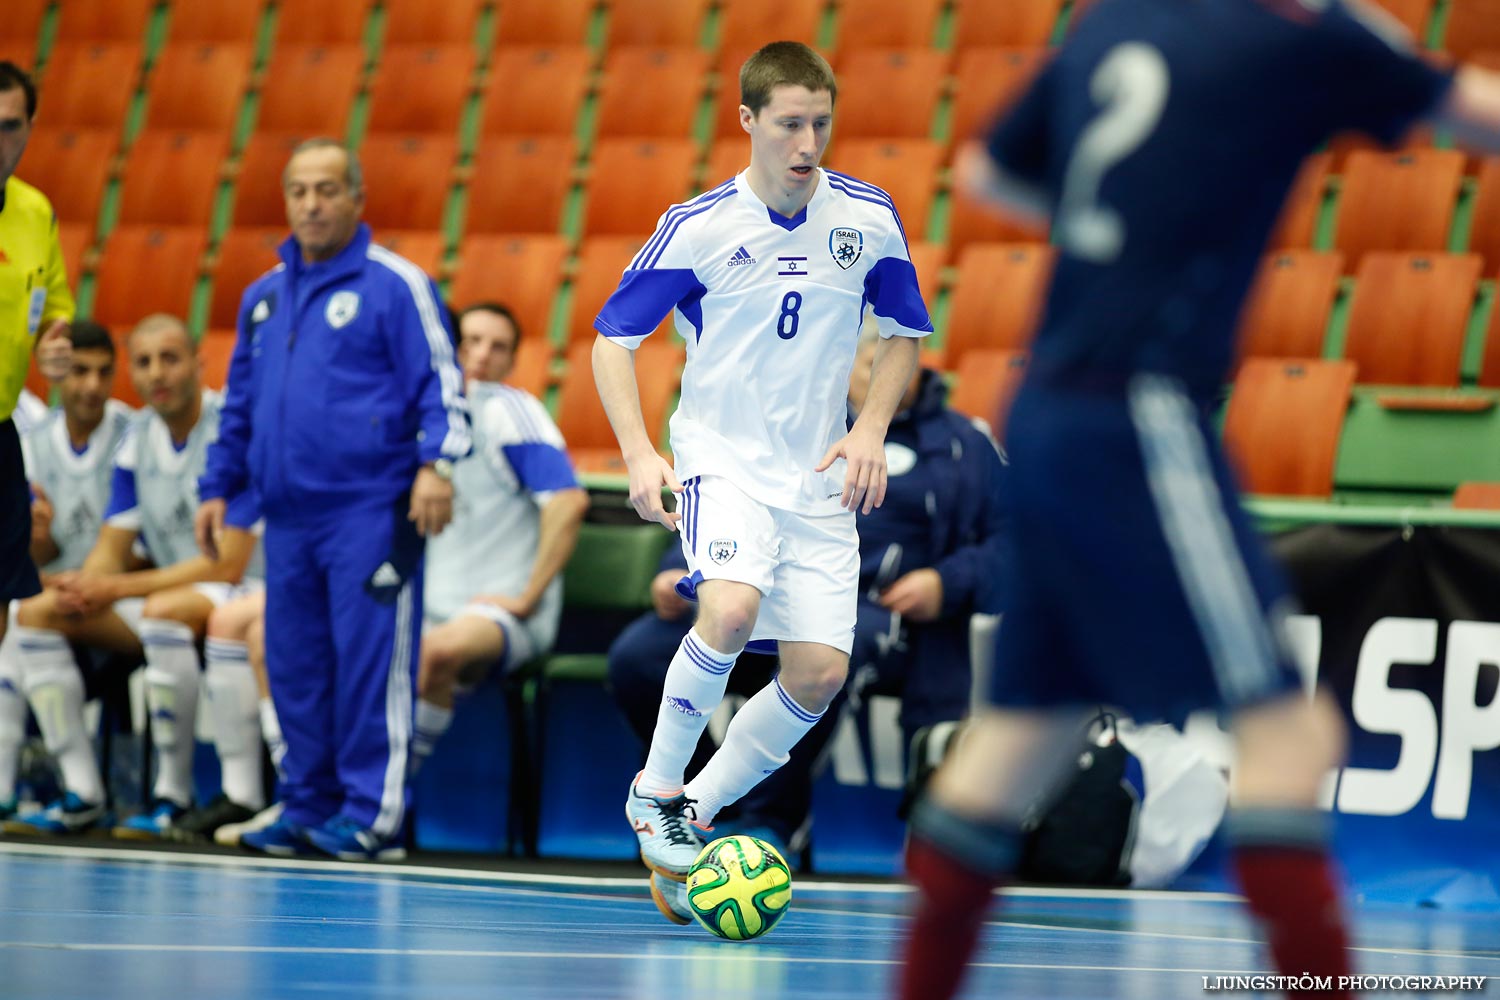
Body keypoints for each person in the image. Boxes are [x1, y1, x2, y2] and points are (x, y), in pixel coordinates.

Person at [896, 4, 1500, 999]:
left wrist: (1144, 215)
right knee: (1289, 735)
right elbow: (1469, 110)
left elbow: (988, 173)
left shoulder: (1115, 19)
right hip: (1141, 409)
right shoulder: (1302, 37)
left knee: (1011, 746)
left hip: (1042, 409)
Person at [591, 40, 932, 919]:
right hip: (723, 458)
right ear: (747, 121)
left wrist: (870, 427)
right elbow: (611, 342)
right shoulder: (700, 224)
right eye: (788, 124)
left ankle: (692, 813)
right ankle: (656, 788)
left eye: (820, 122)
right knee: (731, 611)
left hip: (816, 474)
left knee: (819, 673)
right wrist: (639, 454)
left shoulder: (868, 216)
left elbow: (904, 333)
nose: (807, 142)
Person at [607, 321, 1008, 862]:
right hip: (755, 586)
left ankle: (770, 821)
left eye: (896, 364)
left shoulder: (965, 444)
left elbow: (1016, 546)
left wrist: (945, 582)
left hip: (879, 613)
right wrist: (680, 567)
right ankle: (680, 806)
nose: (883, 376)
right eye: (867, 365)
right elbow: (726, 489)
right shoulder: (798, 421)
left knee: (829, 659)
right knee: (639, 655)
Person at [196, 138, 470, 862]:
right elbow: (240, 408)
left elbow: (441, 387)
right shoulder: (263, 298)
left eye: (326, 190)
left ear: (357, 198)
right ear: (285, 201)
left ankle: (370, 815)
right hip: (288, 518)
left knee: (368, 664)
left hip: (371, 513)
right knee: (294, 664)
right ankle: (308, 801)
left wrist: (436, 464)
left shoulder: (395, 285)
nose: (311, 204)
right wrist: (218, 486)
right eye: (298, 191)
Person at [6, 314, 262, 837]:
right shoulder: (138, 438)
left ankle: (173, 794)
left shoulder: (231, 429)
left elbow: (228, 561)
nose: (156, 374)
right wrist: (83, 584)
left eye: (169, 358)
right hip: (170, 594)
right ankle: (83, 792)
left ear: (198, 361)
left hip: (250, 589)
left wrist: (115, 586)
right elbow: (112, 546)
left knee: (160, 612)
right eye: (143, 362)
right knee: (35, 613)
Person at [411, 302, 587, 775]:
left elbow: (568, 503)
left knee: (433, 653)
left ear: (513, 361)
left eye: (498, 346)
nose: (481, 355)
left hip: (501, 612)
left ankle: (389, 797)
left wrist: (528, 597)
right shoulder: (420, 413)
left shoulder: (508, 410)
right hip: (427, 605)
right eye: (470, 341)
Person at [0, 321, 131, 820]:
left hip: (118, 595)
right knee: (14, 619)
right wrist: (37, 538)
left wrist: (86, 580)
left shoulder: (133, 434)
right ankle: (9, 784)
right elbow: (36, 556)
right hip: (59, 592)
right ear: (58, 376)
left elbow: (145, 547)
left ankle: (82, 787)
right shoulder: (31, 443)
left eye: (103, 372)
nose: (91, 387)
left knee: (26, 614)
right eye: (79, 372)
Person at [0, 60, 74, 651]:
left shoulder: (35, 211)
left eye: (9, 126)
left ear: (29, 127)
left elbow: (54, 310)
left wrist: (56, 344)